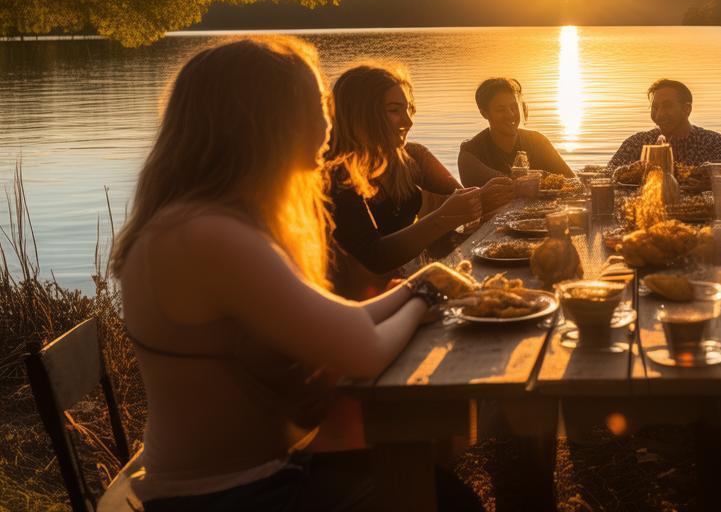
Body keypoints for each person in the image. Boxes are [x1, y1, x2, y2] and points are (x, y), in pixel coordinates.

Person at [110, 37, 469, 511]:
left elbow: (343, 321)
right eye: (318, 102)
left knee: (438, 485)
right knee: (442, 498)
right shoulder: (206, 235)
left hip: (264, 473)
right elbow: (362, 350)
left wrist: (417, 287)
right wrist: (424, 298)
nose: (329, 119)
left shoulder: (212, 219)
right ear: (264, 119)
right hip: (229, 495)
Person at [325, 64, 512, 300]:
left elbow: (463, 199)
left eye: (408, 109)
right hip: (366, 304)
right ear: (360, 114)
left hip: (413, 283)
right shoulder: (335, 175)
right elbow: (374, 256)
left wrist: (484, 197)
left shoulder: (411, 158)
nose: (408, 122)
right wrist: (445, 218)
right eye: (394, 110)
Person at [458, 77, 574, 187]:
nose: (510, 115)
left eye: (514, 107)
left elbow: (572, 180)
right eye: (500, 110)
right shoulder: (471, 153)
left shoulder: (538, 141)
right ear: (484, 113)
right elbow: (506, 186)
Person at [606, 79, 721, 169]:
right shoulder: (638, 142)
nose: (659, 114)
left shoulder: (714, 143)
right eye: (655, 107)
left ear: (687, 109)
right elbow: (608, 173)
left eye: (667, 106)